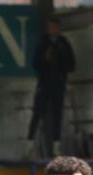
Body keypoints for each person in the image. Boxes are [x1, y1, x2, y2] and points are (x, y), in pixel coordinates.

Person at [31, 18, 77, 157]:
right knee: (37, 113)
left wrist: (60, 61)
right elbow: (35, 63)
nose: (53, 30)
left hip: (59, 83)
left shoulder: (64, 43)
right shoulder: (42, 43)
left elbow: (72, 65)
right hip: (44, 82)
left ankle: (56, 146)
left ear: (59, 28)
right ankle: (30, 145)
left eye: (55, 27)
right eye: (50, 27)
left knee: (58, 114)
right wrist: (46, 59)